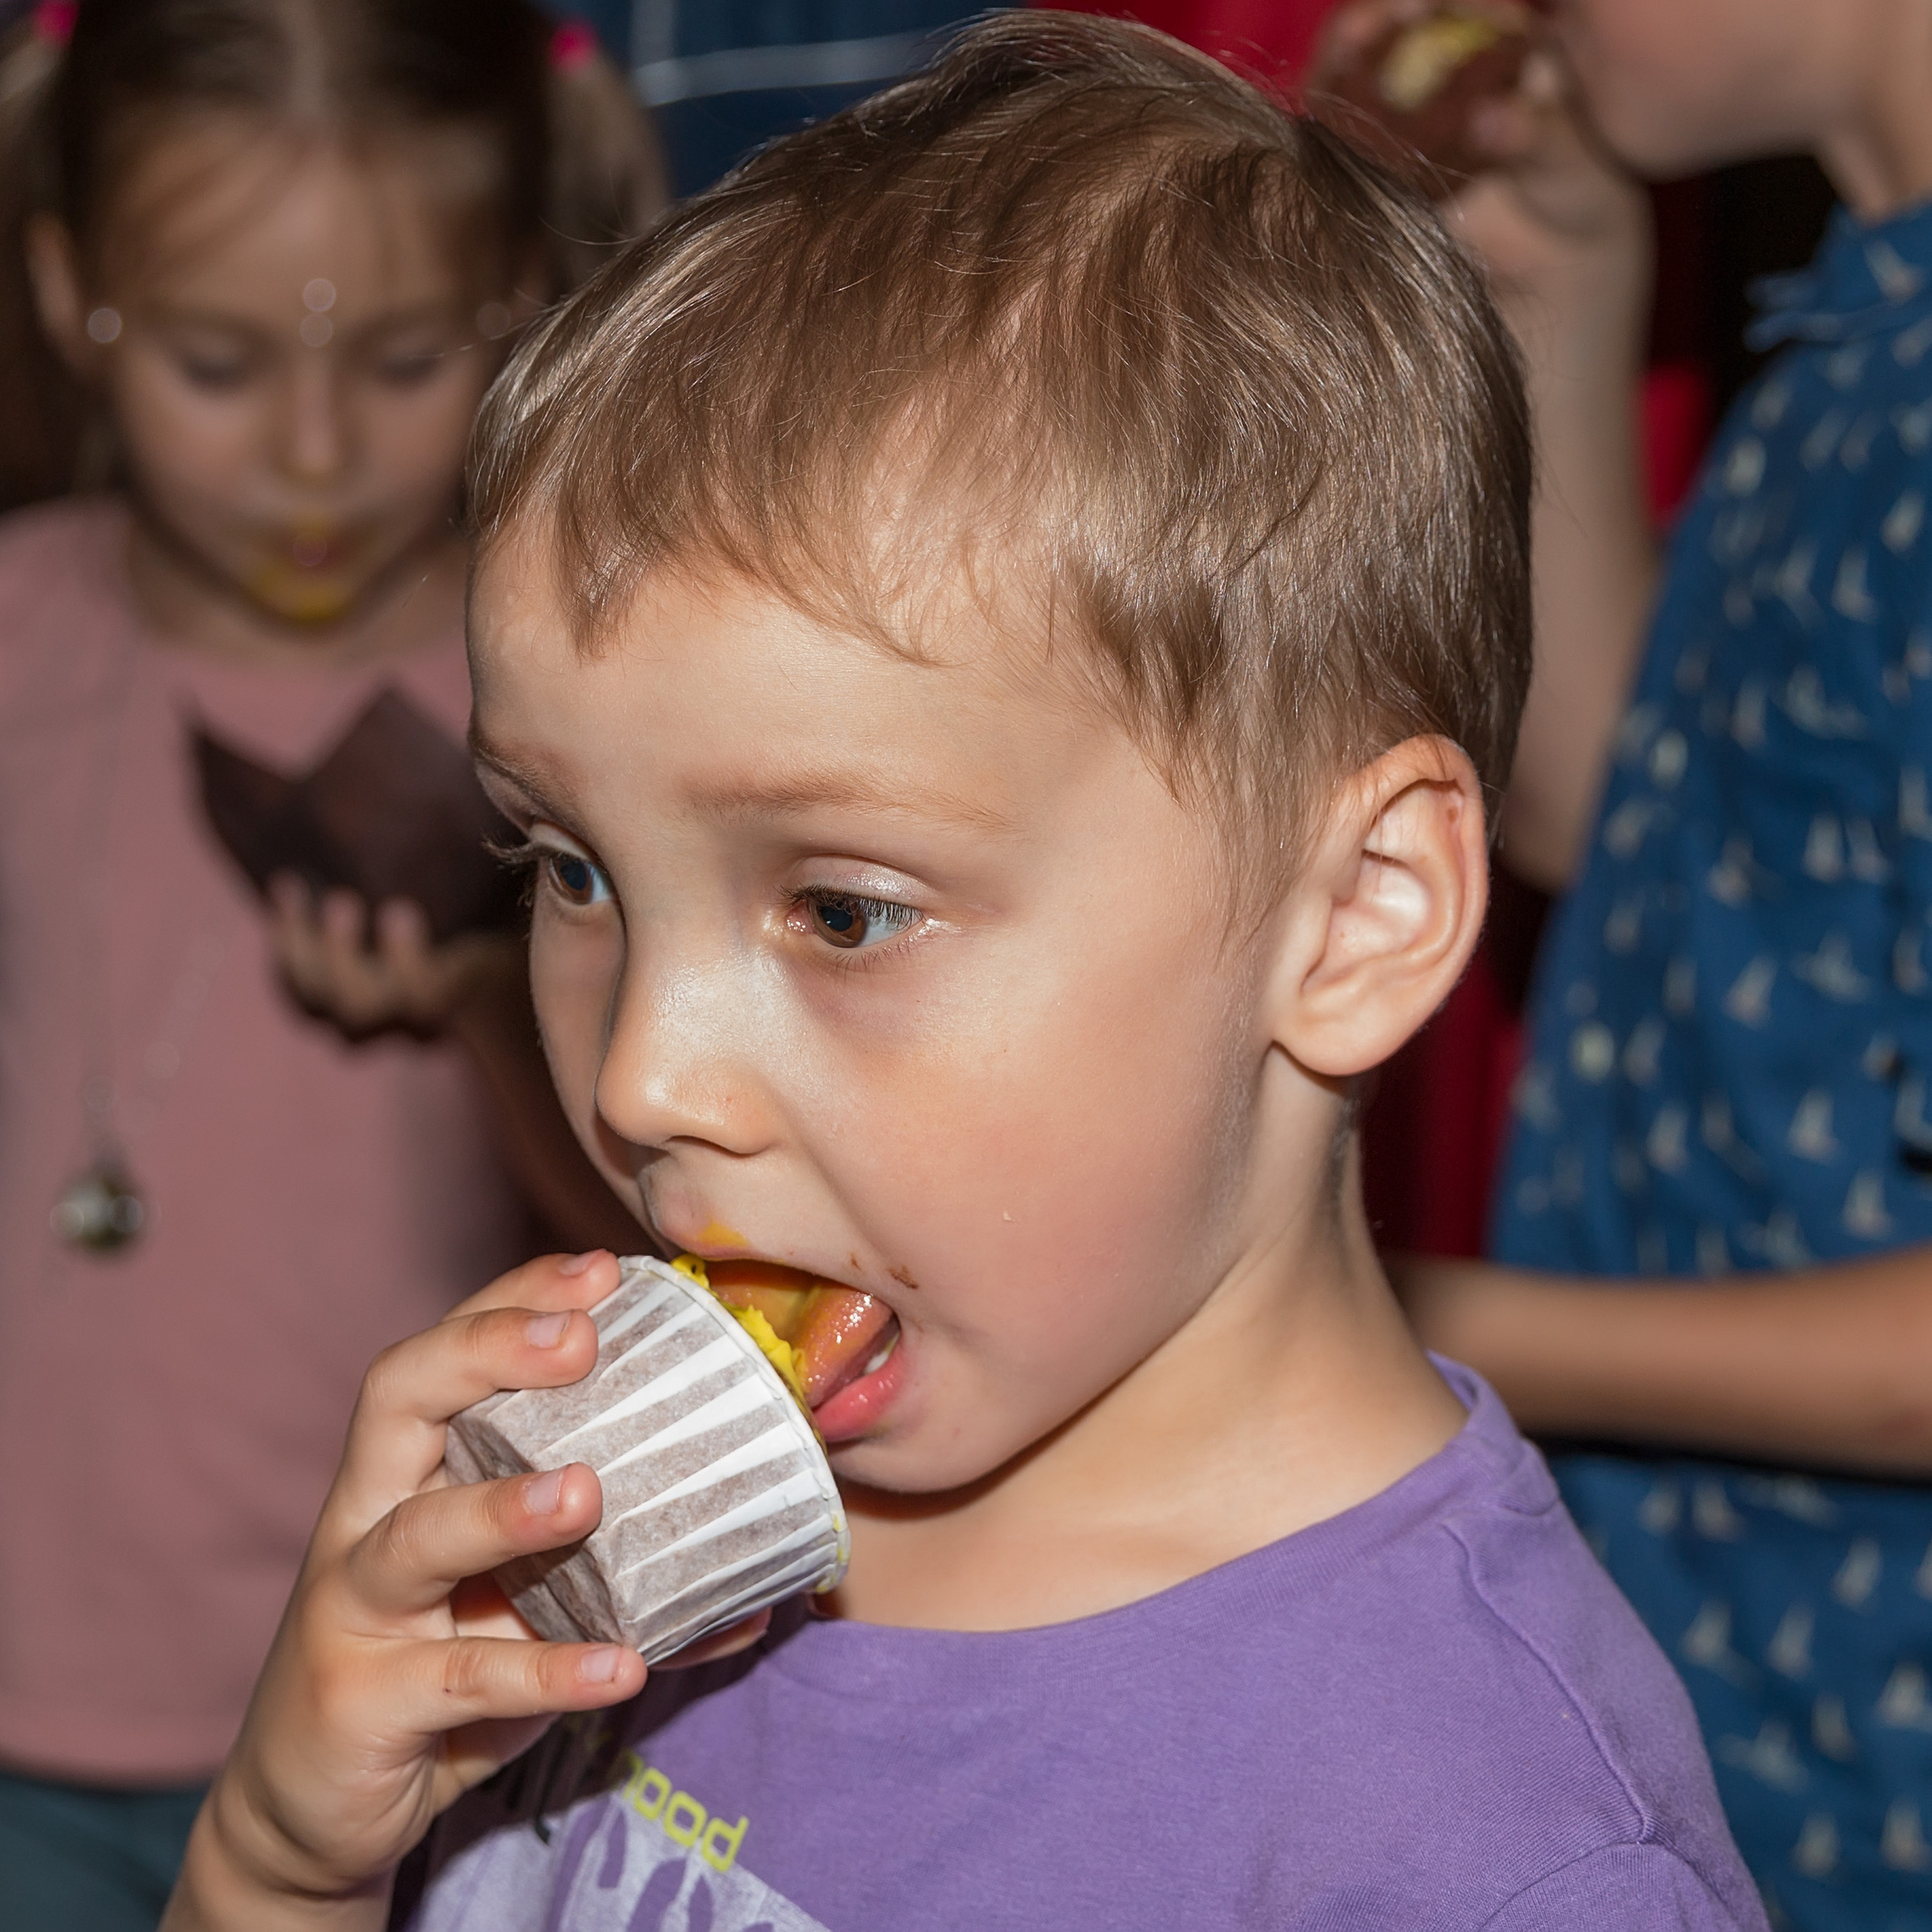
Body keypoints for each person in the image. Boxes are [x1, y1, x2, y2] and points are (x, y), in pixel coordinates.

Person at [159, 16, 1767, 1930]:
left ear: (1353, 916)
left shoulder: (1481, 1852)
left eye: (840, 908)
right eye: (573, 865)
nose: (642, 1076)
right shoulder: (622, 1545)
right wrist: (280, 1858)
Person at [0, 3, 661, 1926]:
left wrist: (478, 1004)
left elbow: (671, 1214)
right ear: (69, 292)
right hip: (32, 1688)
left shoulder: (580, 698)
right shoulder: (21, 641)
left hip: (442, 1705)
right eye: (216, 363)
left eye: (395, 362)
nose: (306, 453)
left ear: (522, 298)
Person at [1320, 0, 1932, 1923]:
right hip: (1711, 1643)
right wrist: (1563, 293)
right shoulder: (1866, 328)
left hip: (1856, 1757)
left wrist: (1417, 1318)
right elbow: (1642, 814)